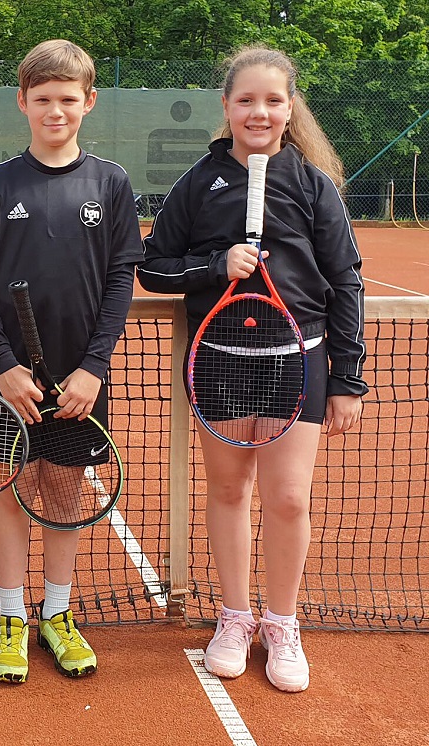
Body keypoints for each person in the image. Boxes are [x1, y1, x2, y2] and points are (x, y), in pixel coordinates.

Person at [138, 45, 366, 693]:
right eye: (246, 100)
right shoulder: (200, 182)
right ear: (227, 107)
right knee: (231, 492)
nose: (259, 111)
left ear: (290, 107)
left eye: (273, 100)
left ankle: (282, 623)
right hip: (221, 363)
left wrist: (348, 378)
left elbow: (344, 283)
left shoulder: (313, 185)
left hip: (300, 362)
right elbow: (153, 266)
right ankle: (234, 618)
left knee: (289, 498)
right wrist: (215, 265)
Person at [0, 39, 142, 684]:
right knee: (11, 493)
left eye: (68, 99)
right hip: (8, 378)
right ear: (22, 103)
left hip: (79, 378)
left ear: (88, 102)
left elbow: (121, 283)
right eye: (42, 99)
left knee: (63, 492)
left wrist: (93, 367)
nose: (55, 110)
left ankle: (56, 613)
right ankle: (11, 616)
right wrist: (3, 364)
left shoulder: (112, 184)